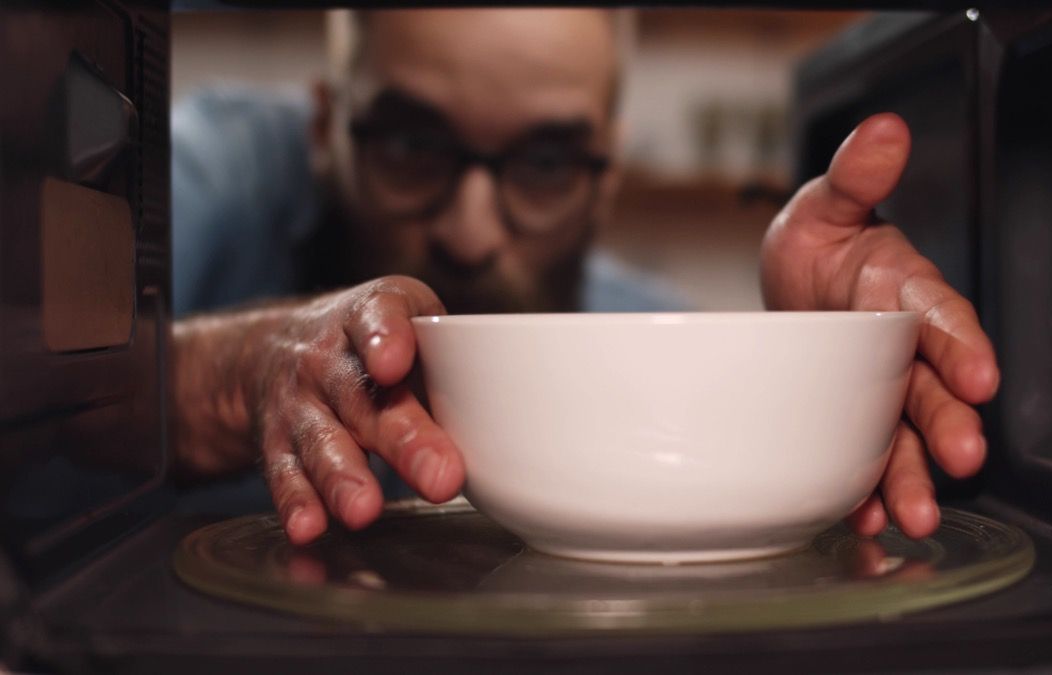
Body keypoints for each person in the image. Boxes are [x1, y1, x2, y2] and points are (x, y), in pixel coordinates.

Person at [171, 9, 1000, 547]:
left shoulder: (638, 326)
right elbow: (38, 358)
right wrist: (232, 372)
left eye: (544, 161)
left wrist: (824, 370)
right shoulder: (212, 181)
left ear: (608, 174)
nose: (471, 230)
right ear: (324, 126)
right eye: (411, 146)